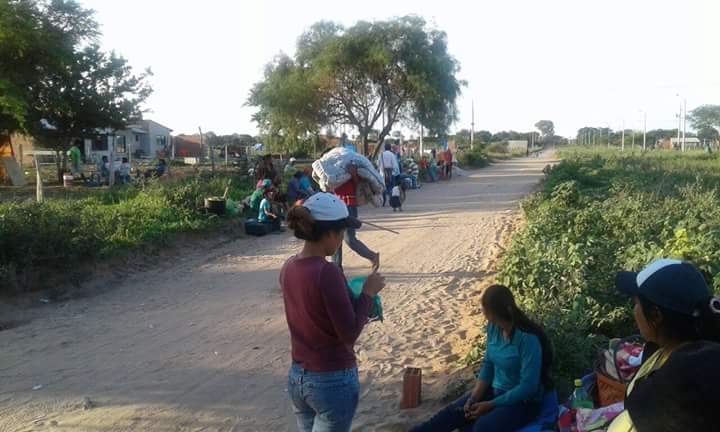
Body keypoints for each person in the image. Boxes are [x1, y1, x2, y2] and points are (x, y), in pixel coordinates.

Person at [281, 193, 386, 432]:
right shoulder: (327, 272)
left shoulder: (289, 266)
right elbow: (349, 333)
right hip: (330, 380)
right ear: (330, 233)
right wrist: (368, 294)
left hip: (298, 377)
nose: (341, 240)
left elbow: (315, 311)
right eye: (341, 233)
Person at [411, 284, 553, 432]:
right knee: (452, 413)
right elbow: (488, 364)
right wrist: (473, 398)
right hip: (495, 390)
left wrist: (491, 405)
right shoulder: (493, 327)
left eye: (495, 320)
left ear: (503, 314)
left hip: (522, 401)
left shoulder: (528, 339)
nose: (492, 324)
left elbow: (528, 387)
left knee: (481, 427)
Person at [608, 259, 720, 432]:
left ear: (655, 315)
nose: (634, 311)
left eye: (636, 303)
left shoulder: (686, 381)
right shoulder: (667, 350)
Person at [332, 162, 380, 273]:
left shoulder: (351, 166)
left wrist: (353, 174)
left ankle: (372, 256)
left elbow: (360, 185)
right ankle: (336, 269)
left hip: (349, 205)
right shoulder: (332, 170)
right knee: (335, 238)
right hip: (335, 204)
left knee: (349, 239)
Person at [378, 143, 400, 207]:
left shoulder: (381, 155)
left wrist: (381, 170)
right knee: (391, 188)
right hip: (391, 174)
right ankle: (391, 200)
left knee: (383, 188)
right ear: (390, 148)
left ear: (384, 148)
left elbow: (378, 164)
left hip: (382, 174)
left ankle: (383, 201)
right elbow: (395, 166)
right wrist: (395, 172)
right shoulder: (392, 155)